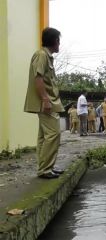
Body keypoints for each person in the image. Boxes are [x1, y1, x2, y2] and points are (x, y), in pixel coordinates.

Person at [23, 27, 64, 179]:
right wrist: (45, 100)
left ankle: (46, 167)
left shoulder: (46, 56)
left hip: (49, 101)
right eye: (59, 41)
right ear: (55, 41)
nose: (60, 44)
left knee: (44, 136)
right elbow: (38, 78)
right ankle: (45, 169)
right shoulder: (41, 55)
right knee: (53, 134)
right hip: (46, 103)